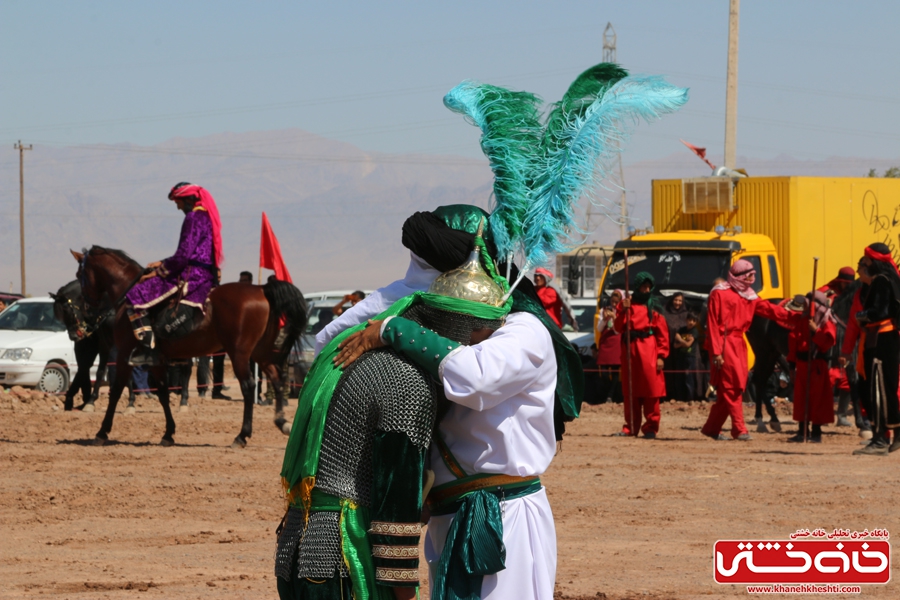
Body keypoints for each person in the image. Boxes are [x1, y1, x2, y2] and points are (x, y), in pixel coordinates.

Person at [334, 220, 562, 600]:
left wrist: (396, 329)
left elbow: (476, 378)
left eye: (467, 324)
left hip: (506, 518)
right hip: (446, 516)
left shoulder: (526, 330)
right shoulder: (447, 345)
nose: (461, 334)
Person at [124, 182, 223, 366]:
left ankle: (148, 351)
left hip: (190, 276)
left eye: (178, 202)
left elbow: (183, 256)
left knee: (134, 296)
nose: (177, 207)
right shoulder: (206, 217)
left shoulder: (193, 217)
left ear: (187, 200)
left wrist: (157, 273)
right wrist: (162, 262)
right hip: (205, 274)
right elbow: (190, 252)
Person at [701, 260, 791, 441]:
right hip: (724, 342)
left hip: (739, 343)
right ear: (741, 275)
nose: (753, 278)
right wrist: (717, 351)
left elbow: (769, 310)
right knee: (731, 387)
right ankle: (739, 429)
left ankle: (711, 428)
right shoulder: (719, 293)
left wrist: (794, 316)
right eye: (750, 275)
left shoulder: (749, 295)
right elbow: (712, 323)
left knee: (735, 386)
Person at [841, 244, 900, 455]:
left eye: (864, 261)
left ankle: (882, 438)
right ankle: (883, 435)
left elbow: (880, 312)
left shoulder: (882, 281)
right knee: (879, 390)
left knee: (880, 390)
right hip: (878, 340)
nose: (861, 266)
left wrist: (861, 317)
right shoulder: (882, 282)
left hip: (882, 340)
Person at [614, 272, 669, 439]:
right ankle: (630, 427)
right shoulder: (626, 305)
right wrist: (623, 310)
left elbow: (663, 335)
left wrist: (661, 356)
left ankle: (651, 427)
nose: (646, 290)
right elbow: (618, 327)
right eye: (643, 286)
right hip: (630, 352)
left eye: (648, 286)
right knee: (630, 390)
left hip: (649, 350)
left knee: (651, 390)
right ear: (637, 287)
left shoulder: (655, 307)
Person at [783, 293, 837, 443]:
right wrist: (791, 366)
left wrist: (816, 331)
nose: (805, 307)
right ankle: (802, 431)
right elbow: (795, 343)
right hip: (802, 364)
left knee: (817, 399)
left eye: (808, 305)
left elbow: (827, 343)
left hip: (817, 365)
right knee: (801, 399)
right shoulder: (803, 320)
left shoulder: (826, 321)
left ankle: (816, 433)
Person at [596, 291, 623, 404]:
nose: (614, 304)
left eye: (617, 302)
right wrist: (605, 319)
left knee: (616, 372)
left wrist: (615, 318)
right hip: (606, 342)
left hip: (616, 342)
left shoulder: (622, 312)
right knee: (605, 373)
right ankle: (604, 394)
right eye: (613, 301)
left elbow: (618, 330)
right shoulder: (604, 310)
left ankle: (611, 395)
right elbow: (599, 329)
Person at [673, 311, 701, 401]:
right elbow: (675, 343)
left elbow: (688, 345)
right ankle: (680, 398)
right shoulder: (682, 329)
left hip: (690, 357)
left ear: (696, 322)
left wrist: (680, 342)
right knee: (679, 378)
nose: (691, 322)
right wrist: (683, 342)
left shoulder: (695, 331)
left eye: (693, 320)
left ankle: (690, 399)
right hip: (680, 356)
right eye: (689, 320)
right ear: (686, 320)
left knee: (689, 378)